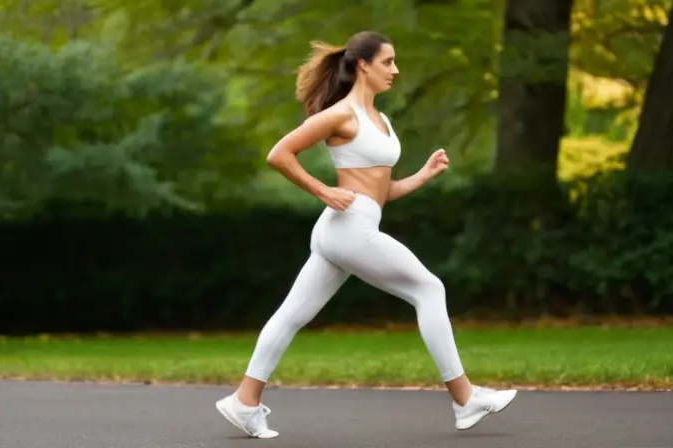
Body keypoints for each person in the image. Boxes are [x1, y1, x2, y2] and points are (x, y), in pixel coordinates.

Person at [215, 30, 517, 439]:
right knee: (429, 289)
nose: (395, 70)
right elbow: (279, 154)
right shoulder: (341, 114)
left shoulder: (381, 119)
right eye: (387, 62)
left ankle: (244, 401)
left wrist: (422, 176)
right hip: (348, 228)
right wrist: (322, 189)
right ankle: (465, 399)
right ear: (363, 65)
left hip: (347, 227)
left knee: (291, 316)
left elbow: (381, 192)